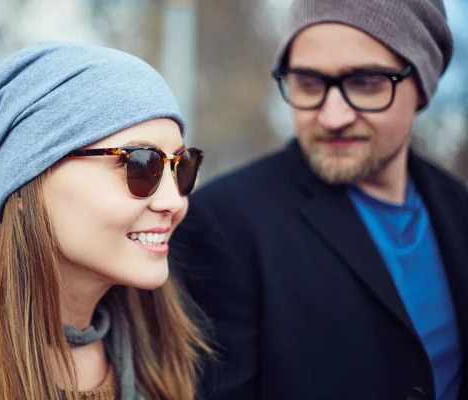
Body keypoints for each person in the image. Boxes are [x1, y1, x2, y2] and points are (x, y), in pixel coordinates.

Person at [0, 42, 210, 400]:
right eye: (141, 164)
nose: (174, 202)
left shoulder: (159, 349)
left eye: (181, 166)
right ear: (28, 183)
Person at [169, 0, 468, 399]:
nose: (333, 116)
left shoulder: (458, 208)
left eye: (365, 83)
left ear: (423, 85)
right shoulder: (223, 224)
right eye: (309, 83)